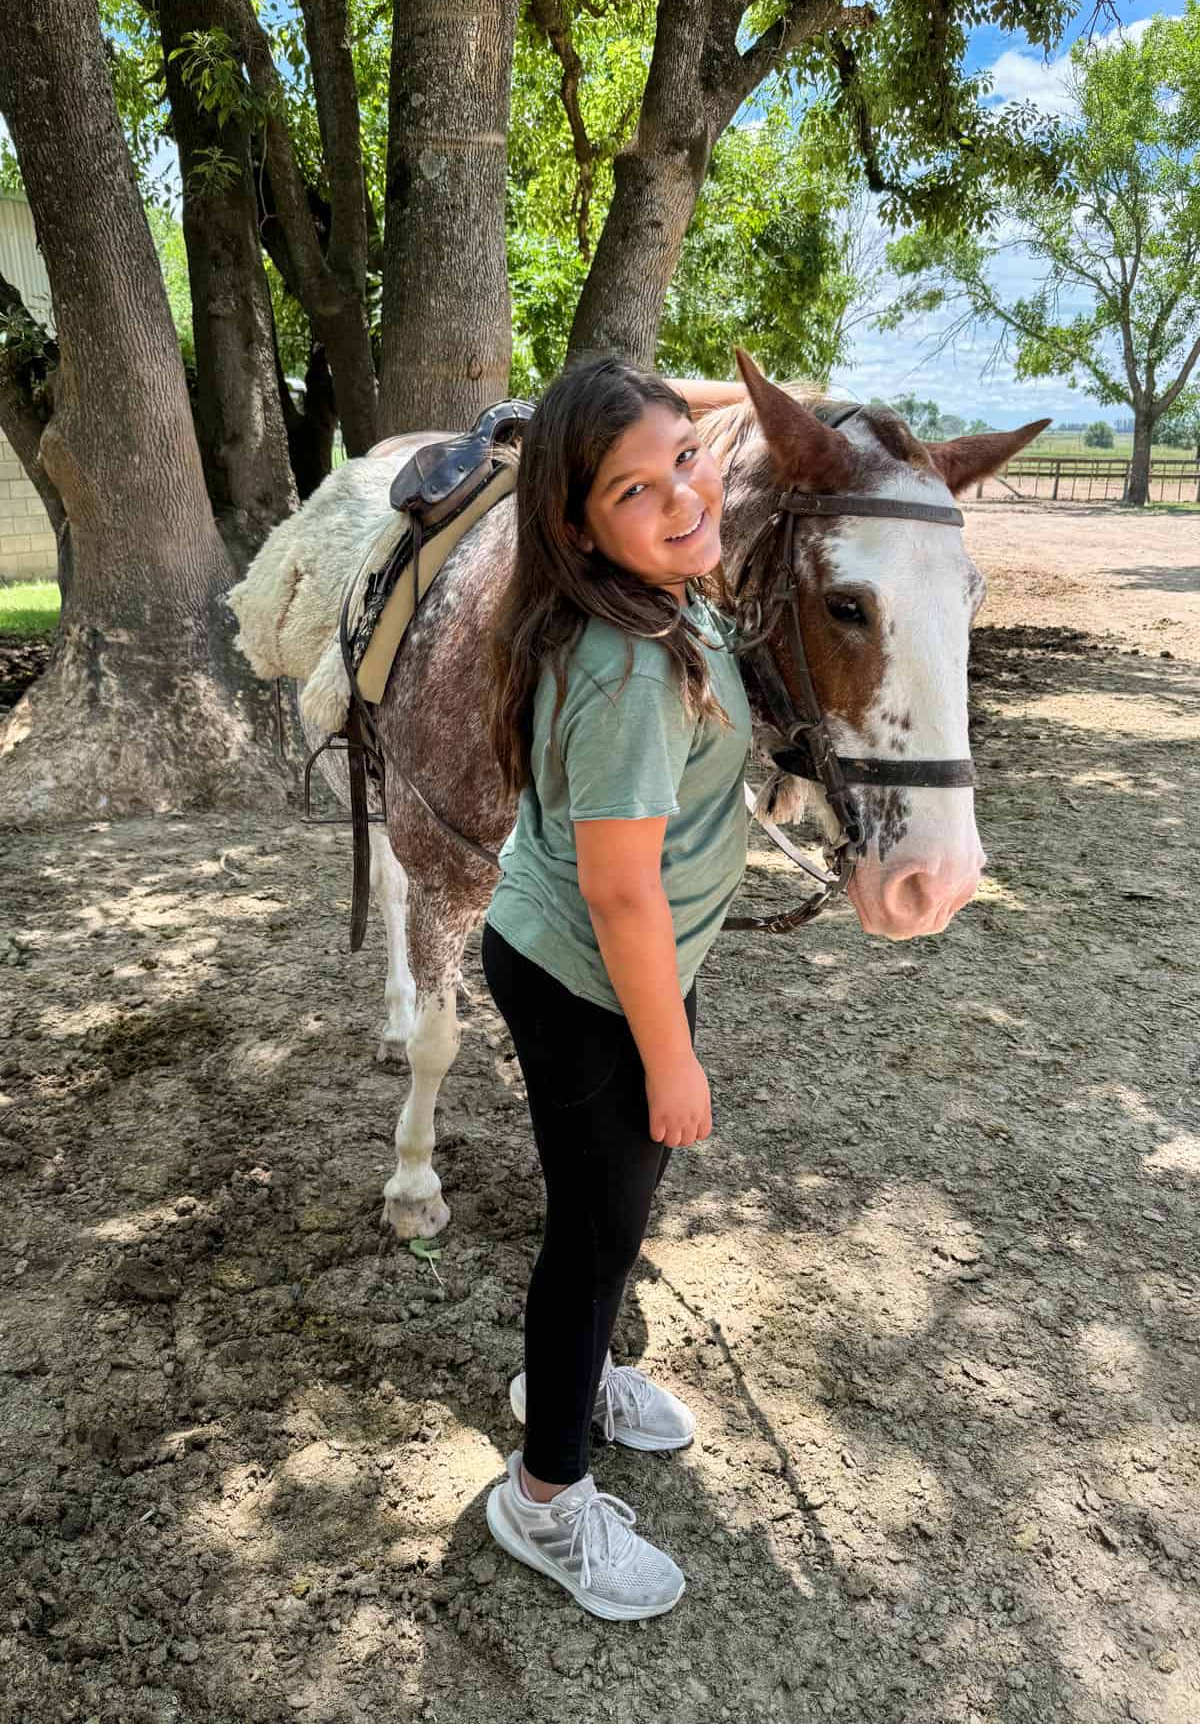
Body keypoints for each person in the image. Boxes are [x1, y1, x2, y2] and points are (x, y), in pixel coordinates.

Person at [481, 356, 752, 1621]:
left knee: (613, 1215)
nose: (683, 496)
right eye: (636, 489)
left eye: (687, 459)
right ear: (578, 526)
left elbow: (691, 435)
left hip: (619, 972)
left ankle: (572, 1379)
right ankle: (544, 1496)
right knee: (593, 1234)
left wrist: (691, 414)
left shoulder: (663, 593)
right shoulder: (630, 665)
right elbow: (621, 892)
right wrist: (674, 1057)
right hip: (591, 975)